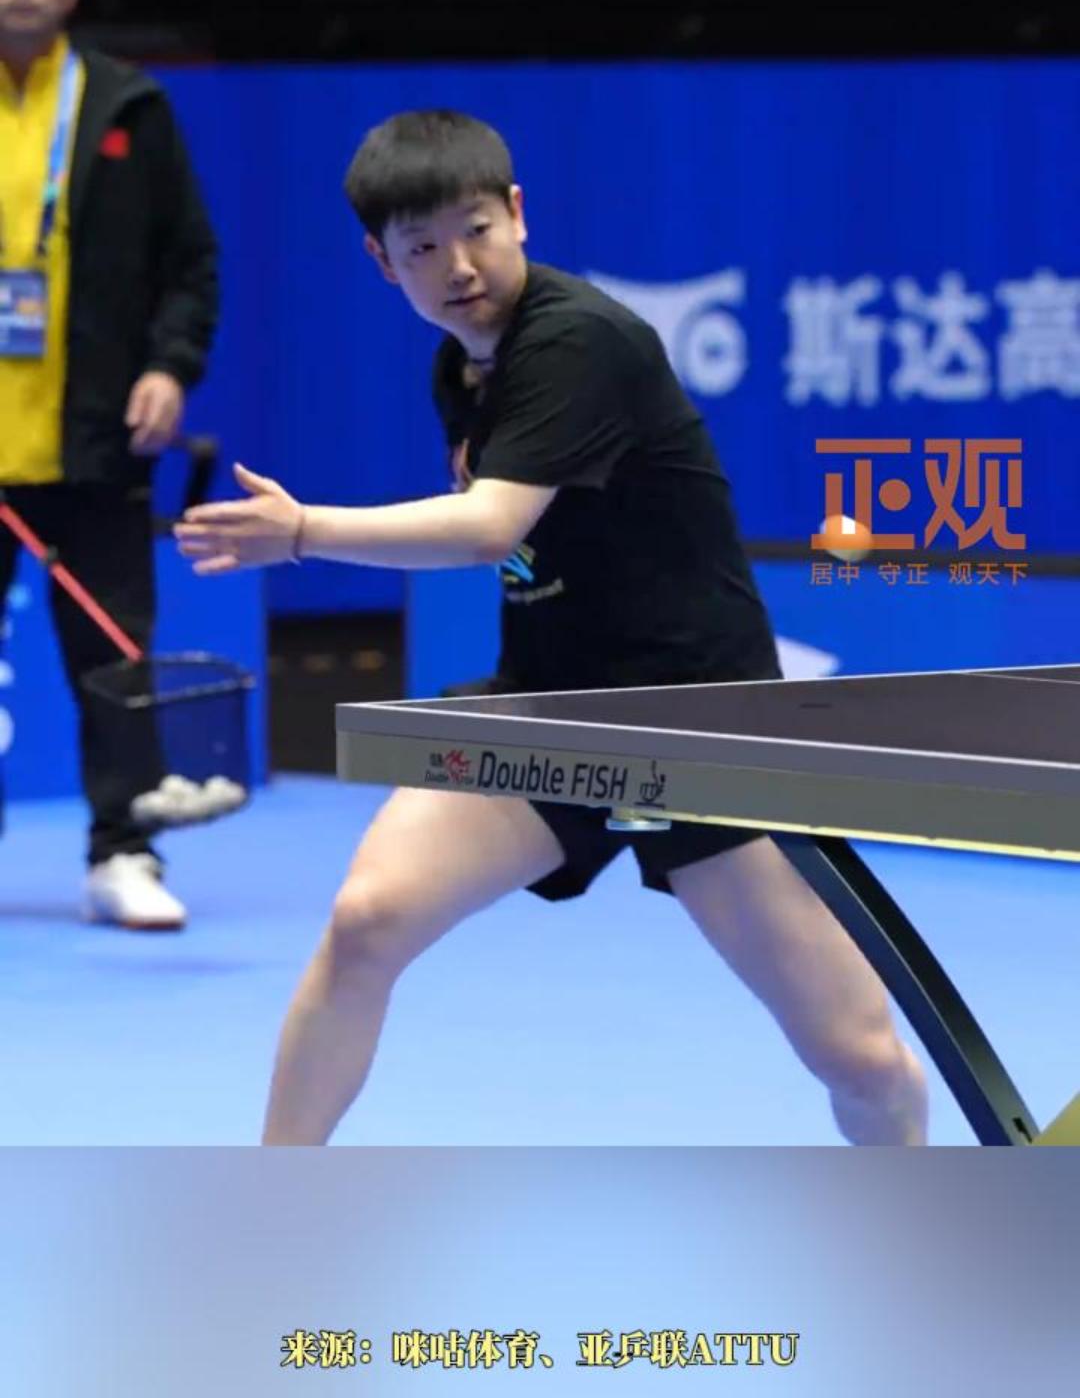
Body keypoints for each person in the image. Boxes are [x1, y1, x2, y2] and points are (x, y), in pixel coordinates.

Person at [175, 108, 928, 1144]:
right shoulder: (460, 367)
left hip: (698, 725)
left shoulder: (578, 341)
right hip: (550, 716)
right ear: (382, 262)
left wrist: (303, 531)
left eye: (476, 230)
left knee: (862, 1059)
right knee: (366, 921)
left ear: (518, 214)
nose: (458, 266)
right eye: (421, 248)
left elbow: (490, 528)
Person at [0, 0, 219, 929]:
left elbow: (191, 263)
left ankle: (123, 851)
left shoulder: (130, 107)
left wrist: (170, 368)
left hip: (94, 442)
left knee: (112, 653)